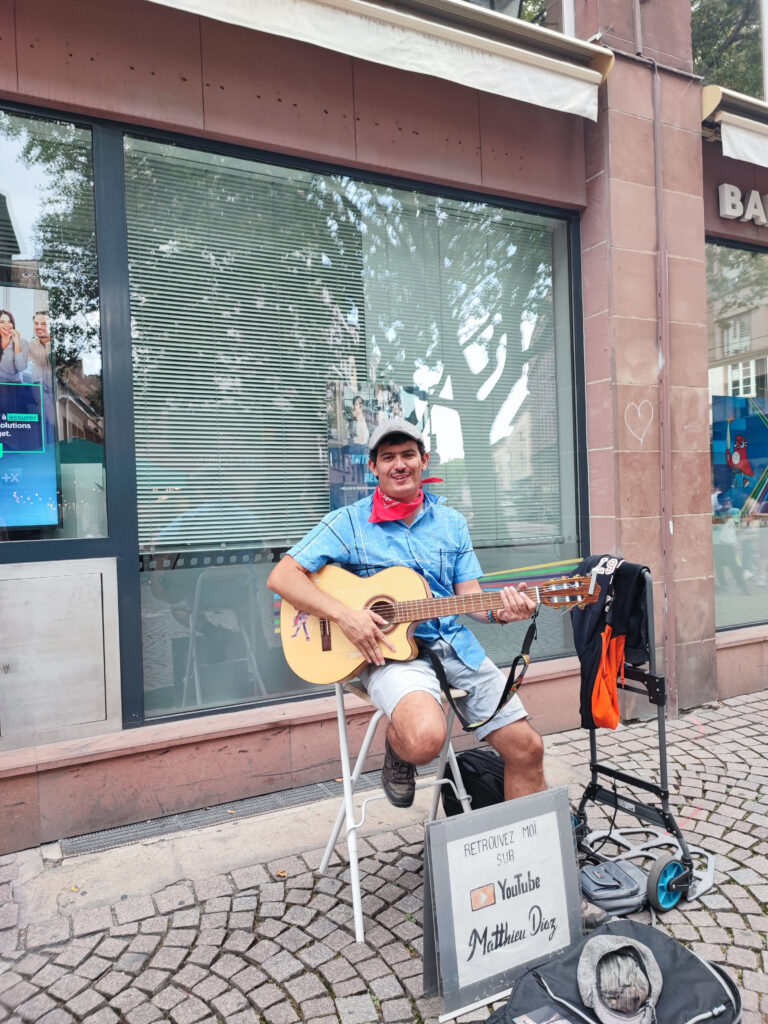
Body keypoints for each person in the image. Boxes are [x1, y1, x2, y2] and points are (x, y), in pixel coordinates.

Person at [268, 417, 547, 809]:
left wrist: (505, 612)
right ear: (374, 467)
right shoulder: (348, 523)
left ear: (424, 460)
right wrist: (347, 616)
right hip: (387, 653)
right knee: (423, 741)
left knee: (528, 749)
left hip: (454, 647)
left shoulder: (452, 524)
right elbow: (283, 576)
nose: (398, 464)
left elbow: (470, 598)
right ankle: (397, 747)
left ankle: (523, 858)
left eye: (407, 455)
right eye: (388, 457)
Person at [0, 309, 28, 383]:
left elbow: (21, 368)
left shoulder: (22, 342)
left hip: (16, 383)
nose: (7, 325)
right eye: (2, 322)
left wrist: (16, 343)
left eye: (9, 322)